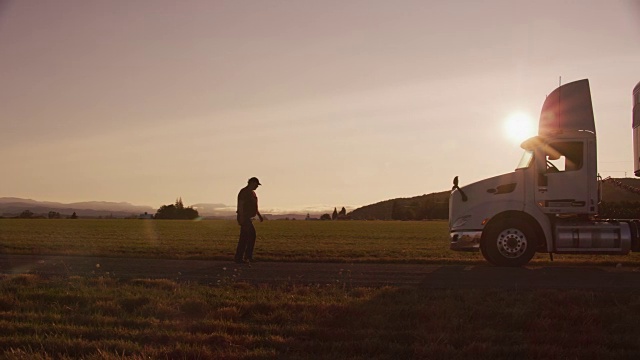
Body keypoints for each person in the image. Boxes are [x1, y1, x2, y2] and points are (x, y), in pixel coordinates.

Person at [234, 177, 263, 264]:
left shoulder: (252, 193)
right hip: (244, 217)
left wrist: (259, 215)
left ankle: (245, 257)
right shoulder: (244, 192)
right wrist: (241, 217)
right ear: (252, 183)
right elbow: (241, 205)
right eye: (256, 185)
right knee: (248, 236)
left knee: (247, 237)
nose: (257, 187)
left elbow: (254, 206)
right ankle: (242, 257)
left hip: (248, 218)